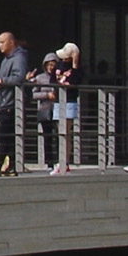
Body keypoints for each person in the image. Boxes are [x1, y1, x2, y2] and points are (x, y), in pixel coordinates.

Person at [0, 32, 29, 174]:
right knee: (8, 137)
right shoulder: (6, 59)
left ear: (12, 42)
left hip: (12, 103)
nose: (0, 45)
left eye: (3, 42)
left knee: (4, 136)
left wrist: (3, 82)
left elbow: (19, 77)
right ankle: (10, 165)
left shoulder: (18, 58)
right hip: (4, 102)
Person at [48, 41, 83, 173]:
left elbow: (76, 80)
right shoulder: (58, 66)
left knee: (66, 132)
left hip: (70, 101)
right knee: (59, 131)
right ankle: (60, 160)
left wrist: (75, 64)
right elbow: (52, 80)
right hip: (58, 101)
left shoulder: (77, 68)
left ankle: (65, 161)